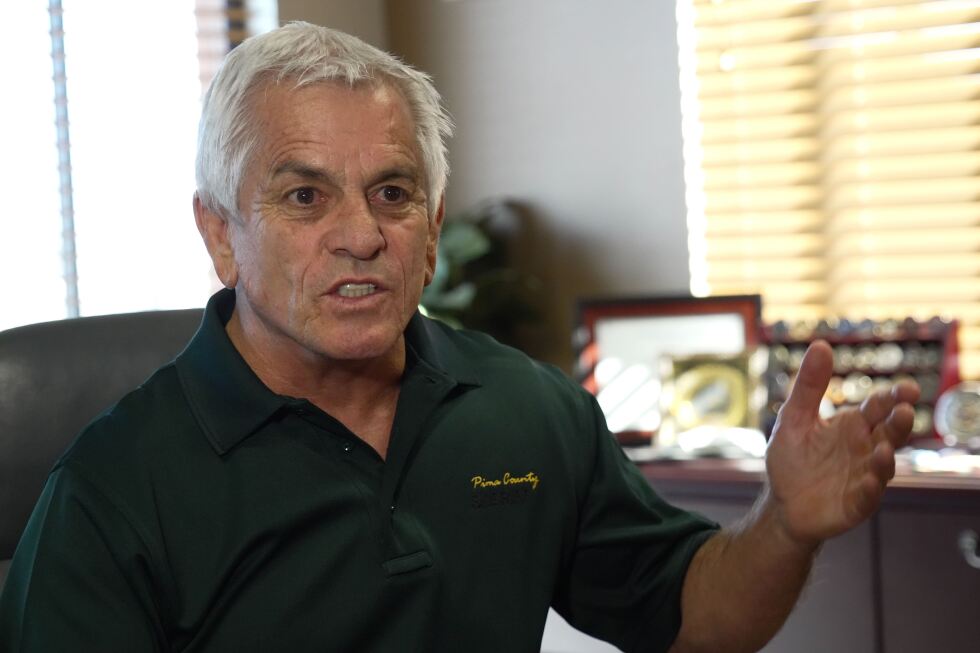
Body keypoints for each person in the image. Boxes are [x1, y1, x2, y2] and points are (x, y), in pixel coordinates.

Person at [0, 22, 918, 653]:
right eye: (305, 195)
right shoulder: (113, 491)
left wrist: (788, 525)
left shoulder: (526, 410)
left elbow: (692, 614)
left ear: (432, 229)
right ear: (218, 233)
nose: (361, 234)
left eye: (392, 194)